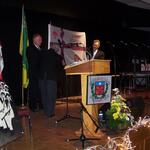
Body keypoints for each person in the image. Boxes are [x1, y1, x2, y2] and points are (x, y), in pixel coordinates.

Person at [38, 48, 63, 120]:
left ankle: (46, 111)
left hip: (42, 77)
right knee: (51, 96)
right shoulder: (56, 56)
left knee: (44, 95)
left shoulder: (41, 53)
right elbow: (60, 67)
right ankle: (50, 113)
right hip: (51, 78)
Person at [26, 33, 42, 112]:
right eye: (39, 39)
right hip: (33, 74)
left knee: (39, 90)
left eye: (41, 39)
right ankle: (33, 107)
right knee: (33, 91)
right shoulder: (30, 49)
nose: (41, 41)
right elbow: (33, 61)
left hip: (40, 74)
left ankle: (41, 105)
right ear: (34, 40)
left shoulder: (40, 49)